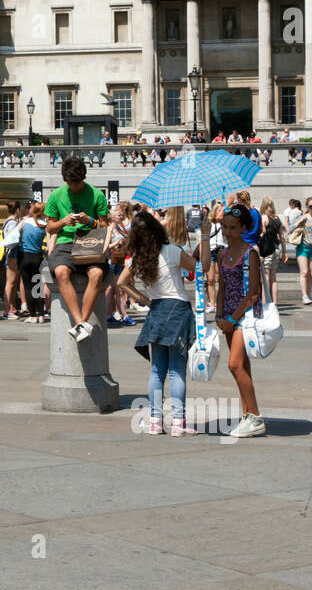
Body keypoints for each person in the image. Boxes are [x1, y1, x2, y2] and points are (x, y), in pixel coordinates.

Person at [115, 210, 203, 436]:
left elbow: (122, 282)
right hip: (177, 310)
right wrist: (202, 241)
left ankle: (155, 420)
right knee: (176, 371)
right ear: (157, 229)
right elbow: (200, 268)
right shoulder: (172, 251)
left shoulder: (137, 257)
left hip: (156, 310)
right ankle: (178, 422)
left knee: (156, 370)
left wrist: (143, 298)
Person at [210, 203, 266, 438]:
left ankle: (255, 417)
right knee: (242, 367)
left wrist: (233, 319)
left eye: (232, 228)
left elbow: (254, 291)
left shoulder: (250, 252)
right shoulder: (222, 253)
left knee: (234, 364)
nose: (227, 232)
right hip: (229, 316)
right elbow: (221, 285)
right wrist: (220, 314)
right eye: (224, 227)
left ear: (244, 228)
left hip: (245, 315)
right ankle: (247, 414)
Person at [43, 156, 110, 341]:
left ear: (83, 178)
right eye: (70, 183)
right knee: (61, 272)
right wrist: (63, 222)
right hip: (65, 242)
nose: (74, 186)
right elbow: (49, 228)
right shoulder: (56, 195)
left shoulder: (97, 194)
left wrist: (90, 220)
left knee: (96, 274)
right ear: (65, 180)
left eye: (77, 182)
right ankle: (81, 322)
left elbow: (104, 227)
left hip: (90, 241)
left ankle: (81, 323)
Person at [17, 203, 49, 323]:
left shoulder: (25, 222)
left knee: (28, 287)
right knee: (38, 287)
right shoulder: (45, 224)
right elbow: (50, 244)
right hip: (38, 257)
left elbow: (15, 235)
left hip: (25, 257)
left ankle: (32, 316)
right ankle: (41, 314)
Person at [1, 201, 26, 320]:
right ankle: (7, 311)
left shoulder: (12, 221)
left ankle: (12, 308)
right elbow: (11, 239)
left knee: (13, 283)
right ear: (17, 210)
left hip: (13, 254)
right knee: (10, 283)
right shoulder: (12, 223)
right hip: (12, 254)